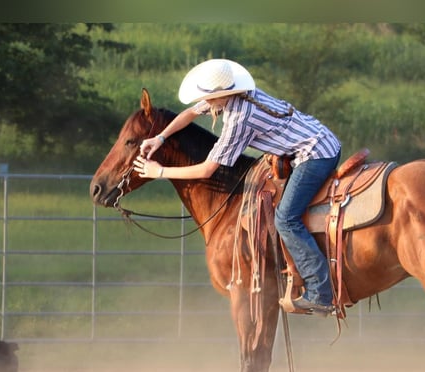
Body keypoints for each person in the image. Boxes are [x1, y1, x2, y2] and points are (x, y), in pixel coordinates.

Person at [134, 58, 341, 316]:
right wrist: (160, 137)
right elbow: (190, 113)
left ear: (223, 95)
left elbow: (208, 169)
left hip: (315, 155)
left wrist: (160, 171)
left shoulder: (239, 118)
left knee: (286, 219)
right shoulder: (240, 94)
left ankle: (321, 293)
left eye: (210, 99)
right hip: (317, 138)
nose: (207, 104)